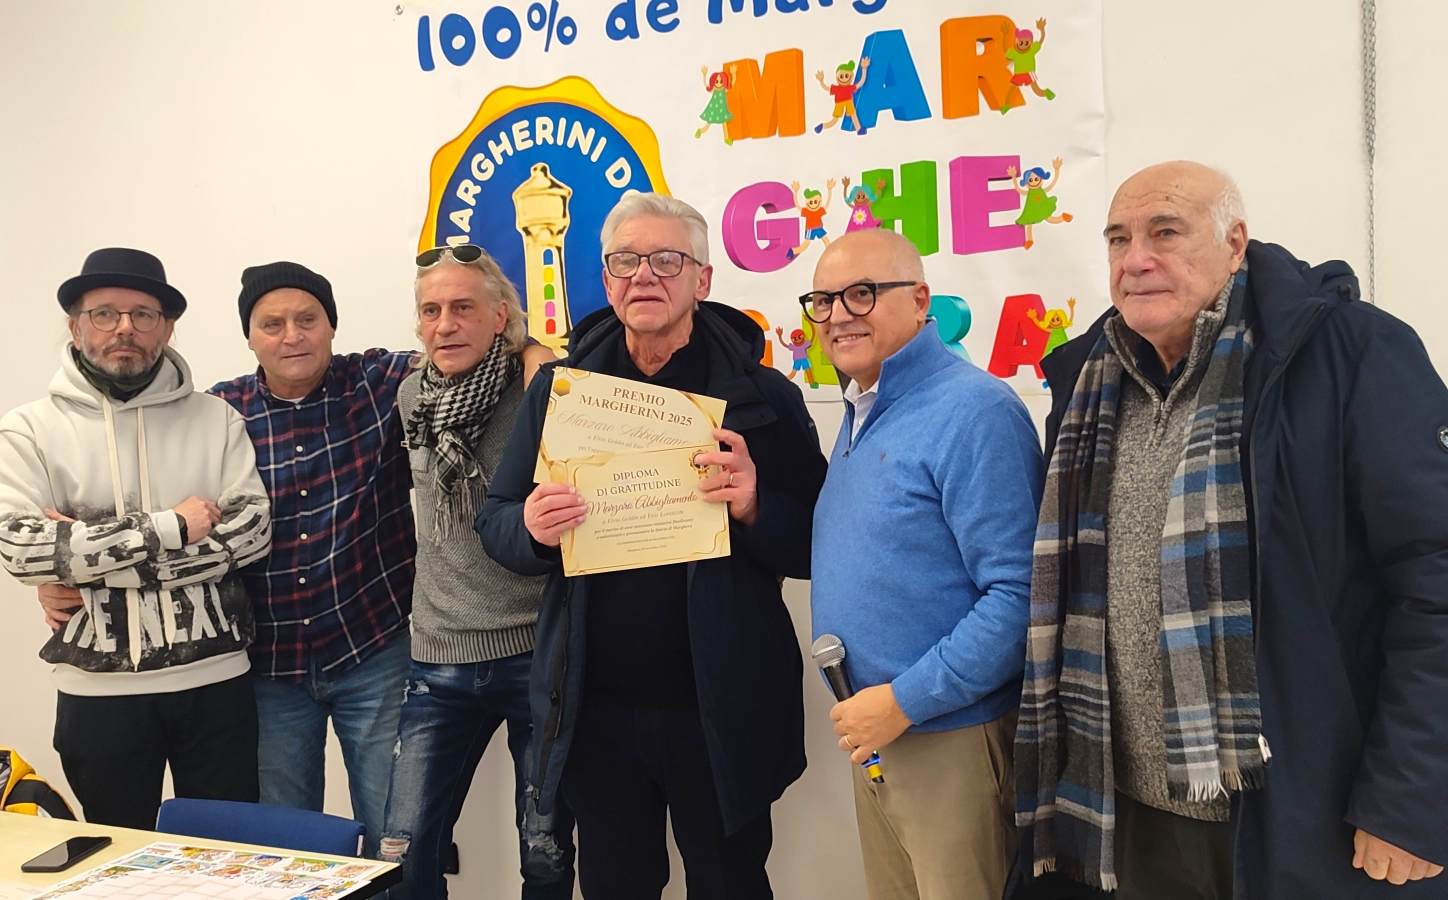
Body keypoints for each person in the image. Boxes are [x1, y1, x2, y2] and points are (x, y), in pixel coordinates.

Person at [1012, 161, 1448, 899]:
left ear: (1235, 243)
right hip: (1127, 816)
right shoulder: (1088, 381)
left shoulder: (1347, 354)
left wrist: (1411, 797)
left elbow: (1434, 575)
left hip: (1300, 811)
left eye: (1165, 232)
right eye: (1118, 239)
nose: (1135, 259)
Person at [478, 192, 827, 899]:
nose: (644, 275)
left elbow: (817, 544)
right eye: (625, 261)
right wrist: (533, 531)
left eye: (667, 260)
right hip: (596, 712)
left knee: (730, 886)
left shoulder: (763, 396)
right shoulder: (561, 393)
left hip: (720, 712)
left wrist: (756, 505)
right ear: (607, 280)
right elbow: (497, 521)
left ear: (703, 279)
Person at [208, 261, 555, 856]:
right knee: (287, 844)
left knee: (393, 845)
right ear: (249, 337)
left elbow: (470, 348)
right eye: (272, 324)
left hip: (372, 652)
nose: (292, 336)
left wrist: (535, 354)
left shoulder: (379, 383)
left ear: (331, 326)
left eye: (307, 319)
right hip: (272, 664)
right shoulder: (221, 414)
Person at [806, 229, 1043, 900]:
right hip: (879, 739)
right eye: (823, 300)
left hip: (949, 738)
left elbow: (1020, 596)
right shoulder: (862, 408)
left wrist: (905, 701)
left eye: (861, 294)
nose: (838, 315)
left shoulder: (975, 411)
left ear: (919, 301)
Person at [0, 247, 272, 828]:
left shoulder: (216, 419)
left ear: (166, 328)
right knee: (119, 857)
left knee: (228, 855)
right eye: (104, 313)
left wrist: (89, 563)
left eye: (143, 314)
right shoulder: (29, 429)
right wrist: (170, 526)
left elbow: (252, 533)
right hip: (97, 695)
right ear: (75, 325)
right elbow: (22, 550)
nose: (124, 328)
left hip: (216, 684)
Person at [379, 245, 574, 899]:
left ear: (500, 317)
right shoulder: (412, 395)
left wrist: (538, 356)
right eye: (430, 310)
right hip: (438, 656)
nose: (445, 325)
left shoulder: (541, 388)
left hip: (535, 652)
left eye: (463, 307)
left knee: (545, 857)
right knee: (402, 854)